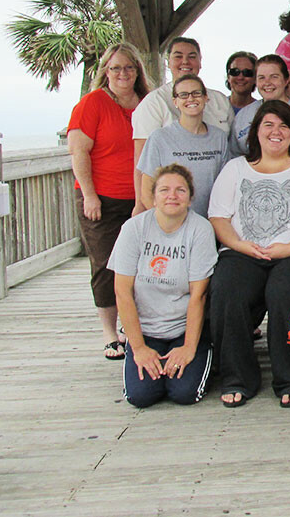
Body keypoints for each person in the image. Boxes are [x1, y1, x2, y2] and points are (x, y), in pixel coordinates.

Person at [208, 100, 290, 408]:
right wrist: (240, 245)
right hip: (243, 251)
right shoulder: (235, 169)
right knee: (227, 290)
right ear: (255, 132)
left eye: (284, 126)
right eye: (268, 125)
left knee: (283, 291)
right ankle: (238, 377)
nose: (276, 132)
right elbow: (218, 217)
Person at [68, 42, 150, 360]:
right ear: (105, 71)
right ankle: (109, 332)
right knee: (105, 264)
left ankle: (137, 327)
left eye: (129, 67)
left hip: (140, 198)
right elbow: (78, 152)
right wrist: (89, 195)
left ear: (138, 71)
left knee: (141, 264)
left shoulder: (146, 104)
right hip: (100, 198)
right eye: (115, 68)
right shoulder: (92, 103)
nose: (122, 74)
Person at [108, 164, 217, 407]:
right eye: (164, 190)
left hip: (183, 328)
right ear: (153, 197)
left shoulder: (200, 229)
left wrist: (188, 347)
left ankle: (204, 355)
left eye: (180, 190)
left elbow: (198, 295)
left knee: (184, 393)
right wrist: (138, 348)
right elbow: (122, 292)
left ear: (190, 198)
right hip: (146, 331)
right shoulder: (133, 229)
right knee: (141, 396)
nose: (172, 196)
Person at [132, 37, 234, 214]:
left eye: (192, 56)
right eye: (178, 56)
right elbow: (143, 168)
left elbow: (228, 179)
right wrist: (143, 208)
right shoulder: (154, 106)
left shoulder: (220, 111)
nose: (185, 61)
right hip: (172, 217)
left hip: (213, 218)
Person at [230, 54, 290, 159]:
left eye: (274, 77)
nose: (267, 83)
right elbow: (234, 155)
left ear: (286, 80)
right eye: (261, 78)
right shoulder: (243, 115)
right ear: (255, 82)